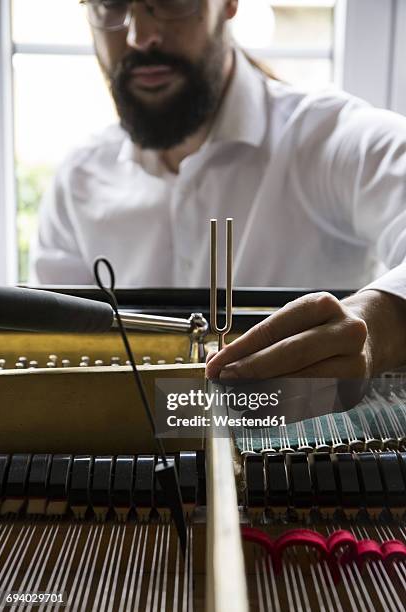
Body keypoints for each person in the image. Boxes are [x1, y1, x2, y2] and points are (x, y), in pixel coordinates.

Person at [30, 0, 406, 380]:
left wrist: (380, 324)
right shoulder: (77, 182)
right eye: (111, 5)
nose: (140, 37)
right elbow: (52, 343)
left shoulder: (327, 140)